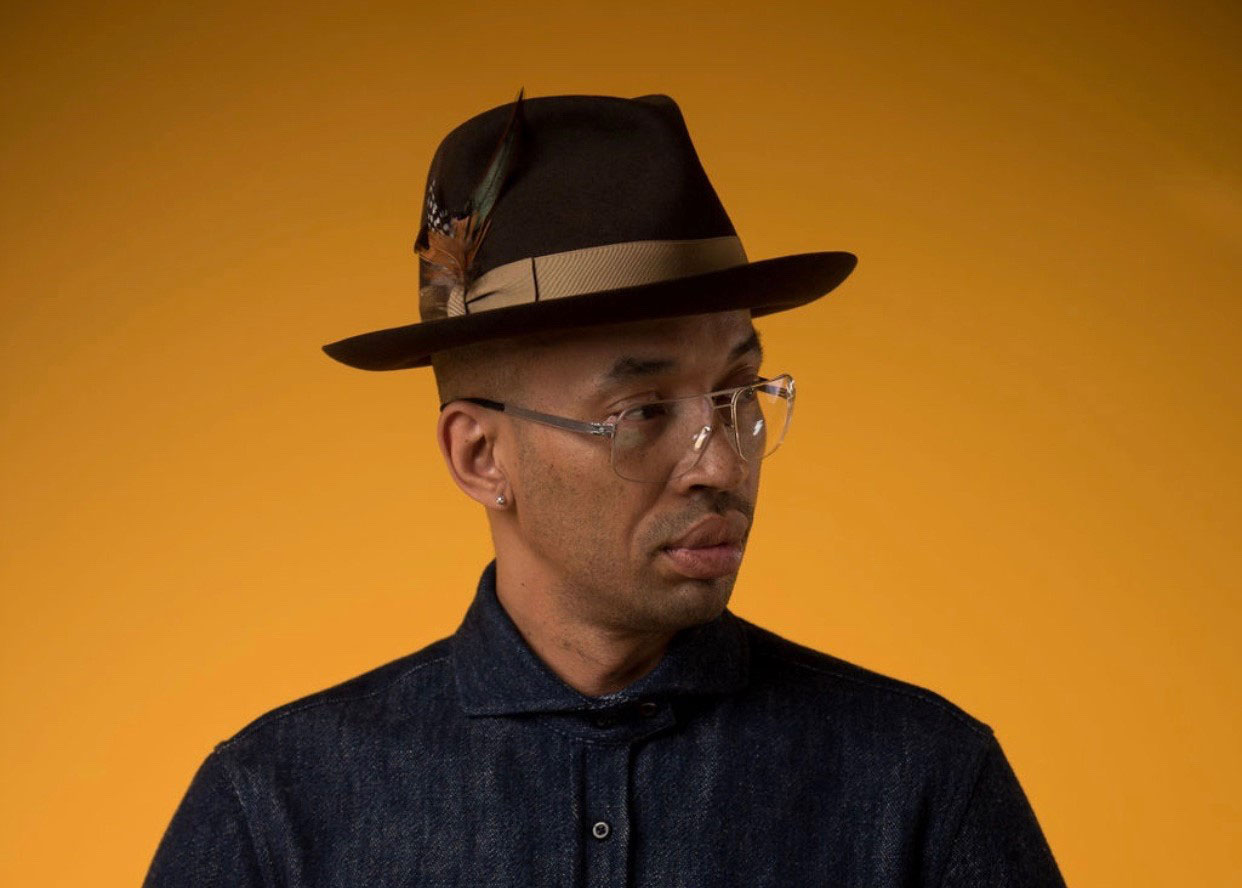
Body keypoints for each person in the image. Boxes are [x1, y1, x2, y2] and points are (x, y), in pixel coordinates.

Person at [143, 89, 1068, 887]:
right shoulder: (278, 808)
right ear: (479, 458)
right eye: (641, 411)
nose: (722, 462)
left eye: (740, 396)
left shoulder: (921, 784)